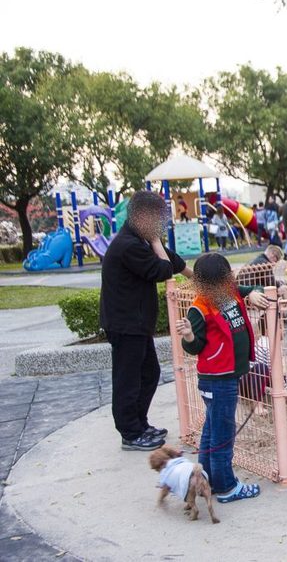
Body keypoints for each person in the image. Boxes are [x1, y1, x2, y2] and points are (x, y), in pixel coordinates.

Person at [100, 191, 193, 451]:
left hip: (136, 324)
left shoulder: (138, 240)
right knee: (128, 380)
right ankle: (130, 432)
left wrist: (195, 276)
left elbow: (170, 259)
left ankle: (140, 424)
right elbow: (163, 269)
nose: (161, 225)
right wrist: (155, 240)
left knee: (149, 374)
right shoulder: (129, 245)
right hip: (126, 325)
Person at [175, 253, 270, 502]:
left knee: (211, 432)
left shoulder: (231, 291)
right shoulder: (200, 307)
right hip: (217, 379)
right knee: (222, 436)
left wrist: (253, 293)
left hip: (228, 376)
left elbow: (252, 287)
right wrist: (188, 336)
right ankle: (227, 487)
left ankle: (207, 480)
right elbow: (195, 347)